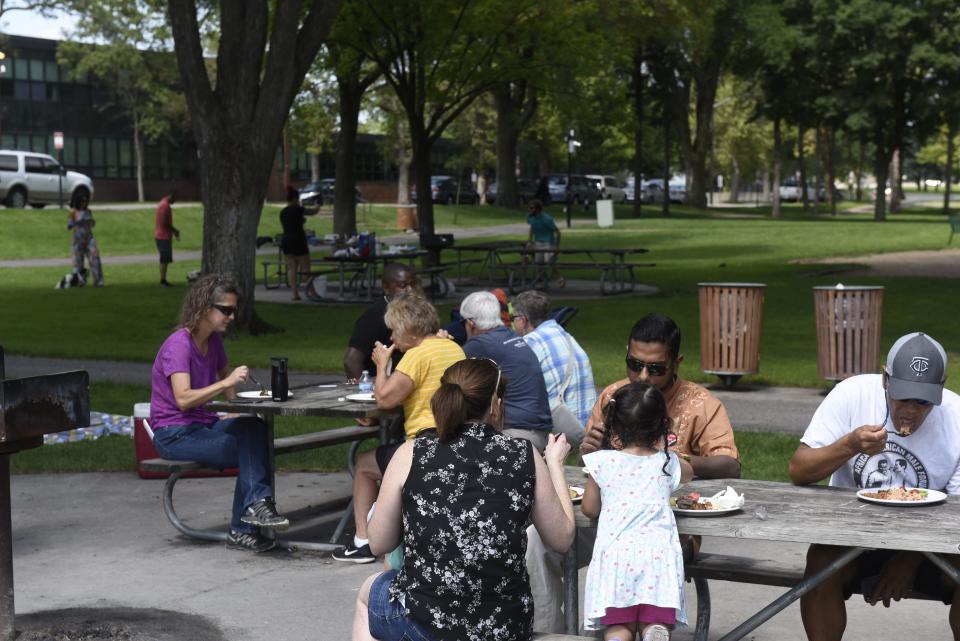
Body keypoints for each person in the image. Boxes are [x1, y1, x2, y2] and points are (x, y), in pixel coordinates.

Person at [528, 312, 740, 633]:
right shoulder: (615, 397)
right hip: (609, 524)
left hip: (670, 530)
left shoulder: (701, 404)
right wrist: (591, 449)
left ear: (676, 363)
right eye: (633, 363)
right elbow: (593, 467)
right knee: (537, 539)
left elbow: (729, 464)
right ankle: (552, 633)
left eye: (655, 368)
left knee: (621, 613)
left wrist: (669, 458)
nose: (641, 376)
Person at [351, 357, 576, 641]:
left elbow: (379, 543)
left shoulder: (412, 453)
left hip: (427, 624)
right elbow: (563, 537)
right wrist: (555, 463)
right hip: (506, 628)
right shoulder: (523, 454)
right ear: (495, 403)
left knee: (371, 591)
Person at [788, 331, 960, 641]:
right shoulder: (851, 394)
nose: (910, 409)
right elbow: (799, 471)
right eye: (902, 396)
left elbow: (957, 515)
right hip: (854, 537)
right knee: (820, 559)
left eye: (923, 401)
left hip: (933, 546)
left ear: (942, 386)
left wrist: (909, 559)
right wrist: (849, 445)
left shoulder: (956, 417)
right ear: (885, 380)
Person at [149, 273, 288, 553]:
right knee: (245, 446)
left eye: (233, 310)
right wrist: (226, 384)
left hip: (203, 425)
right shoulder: (178, 346)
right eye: (225, 310)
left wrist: (234, 410)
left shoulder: (212, 341)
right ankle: (248, 520)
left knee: (254, 429)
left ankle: (253, 511)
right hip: (174, 434)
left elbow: (224, 372)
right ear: (203, 308)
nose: (231, 316)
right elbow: (184, 399)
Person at [334, 292, 464, 564]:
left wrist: (381, 365)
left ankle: (362, 541)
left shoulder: (416, 355)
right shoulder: (453, 348)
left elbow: (385, 398)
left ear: (408, 330)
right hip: (457, 440)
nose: (391, 338)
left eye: (394, 331)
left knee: (364, 465)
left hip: (425, 447)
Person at [582, 382, 693, 641]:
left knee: (618, 625)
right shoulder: (667, 462)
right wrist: (668, 445)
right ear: (662, 426)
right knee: (653, 619)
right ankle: (654, 631)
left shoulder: (601, 462)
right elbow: (689, 473)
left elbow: (589, 509)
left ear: (614, 425)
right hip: (658, 557)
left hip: (616, 558)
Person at [459, 290, 553, 450]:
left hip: (516, 435)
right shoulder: (509, 335)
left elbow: (449, 371)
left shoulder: (480, 344)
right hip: (540, 431)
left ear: (470, 323)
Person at [511, 290, 596, 447]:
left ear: (523, 320)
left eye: (513, 319)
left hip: (565, 428)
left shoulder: (530, 342)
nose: (511, 324)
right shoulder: (564, 334)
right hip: (587, 423)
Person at [343, 263, 418, 381]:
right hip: (387, 386)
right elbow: (351, 359)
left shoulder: (418, 311)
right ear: (386, 288)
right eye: (403, 286)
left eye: (413, 285)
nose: (410, 290)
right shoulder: (375, 316)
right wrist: (363, 391)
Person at [278, 185, 316, 301]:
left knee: (291, 268)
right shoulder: (299, 210)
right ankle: (312, 293)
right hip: (298, 240)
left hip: (286, 241)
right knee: (305, 268)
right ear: (295, 199)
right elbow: (313, 211)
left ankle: (295, 294)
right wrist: (318, 205)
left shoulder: (283, 212)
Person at [67, 192, 104, 286]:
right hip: (77, 240)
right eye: (82, 201)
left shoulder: (88, 211)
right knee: (78, 261)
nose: (84, 203)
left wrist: (92, 222)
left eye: (85, 201)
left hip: (89, 238)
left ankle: (98, 280)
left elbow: (92, 223)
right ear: (78, 202)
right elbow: (69, 225)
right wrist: (73, 224)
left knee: (94, 258)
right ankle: (79, 281)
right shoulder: (73, 212)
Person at [526, 199, 563, 287]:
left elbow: (557, 232)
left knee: (549, 262)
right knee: (538, 263)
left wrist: (556, 246)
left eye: (532, 208)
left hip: (548, 243)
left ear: (538, 209)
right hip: (538, 243)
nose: (530, 210)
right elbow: (531, 229)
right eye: (529, 208)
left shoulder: (547, 219)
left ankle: (558, 278)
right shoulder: (531, 217)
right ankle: (543, 280)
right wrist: (530, 241)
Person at [155, 188, 180, 287]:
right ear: (171, 196)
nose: (175, 201)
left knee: (165, 259)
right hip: (162, 236)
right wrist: (175, 231)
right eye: (175, 198)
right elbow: (165, 222)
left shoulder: (163, 204)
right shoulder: (165, 206)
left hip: (163, 235)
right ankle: (162, 281)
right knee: (164, 259)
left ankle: (164, 280)